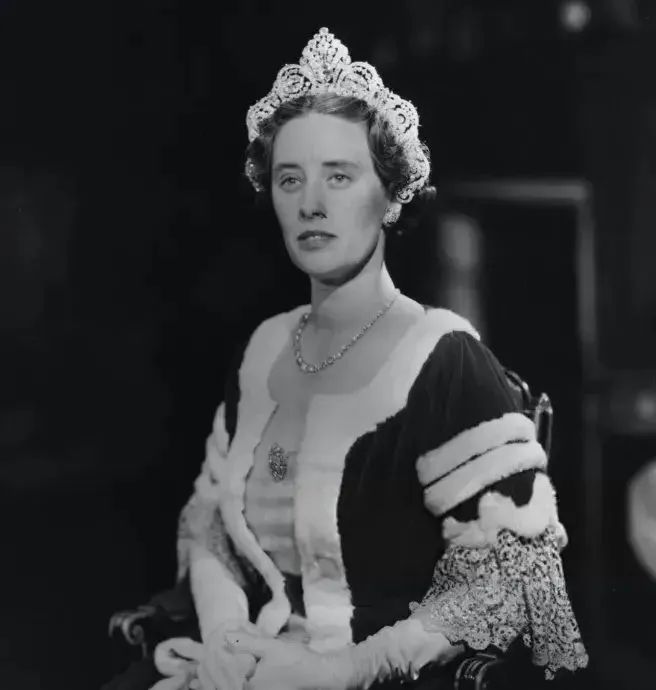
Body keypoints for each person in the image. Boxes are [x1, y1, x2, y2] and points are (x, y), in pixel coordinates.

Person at [142, 27, 588, 690]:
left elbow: (514, 576)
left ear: (391, 194)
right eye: (290, 179)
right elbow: (211, 525)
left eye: (340, 177)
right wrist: (227, 641)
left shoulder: (442, 360)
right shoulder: (263, 349)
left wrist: (343, 671)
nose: (311, 204)